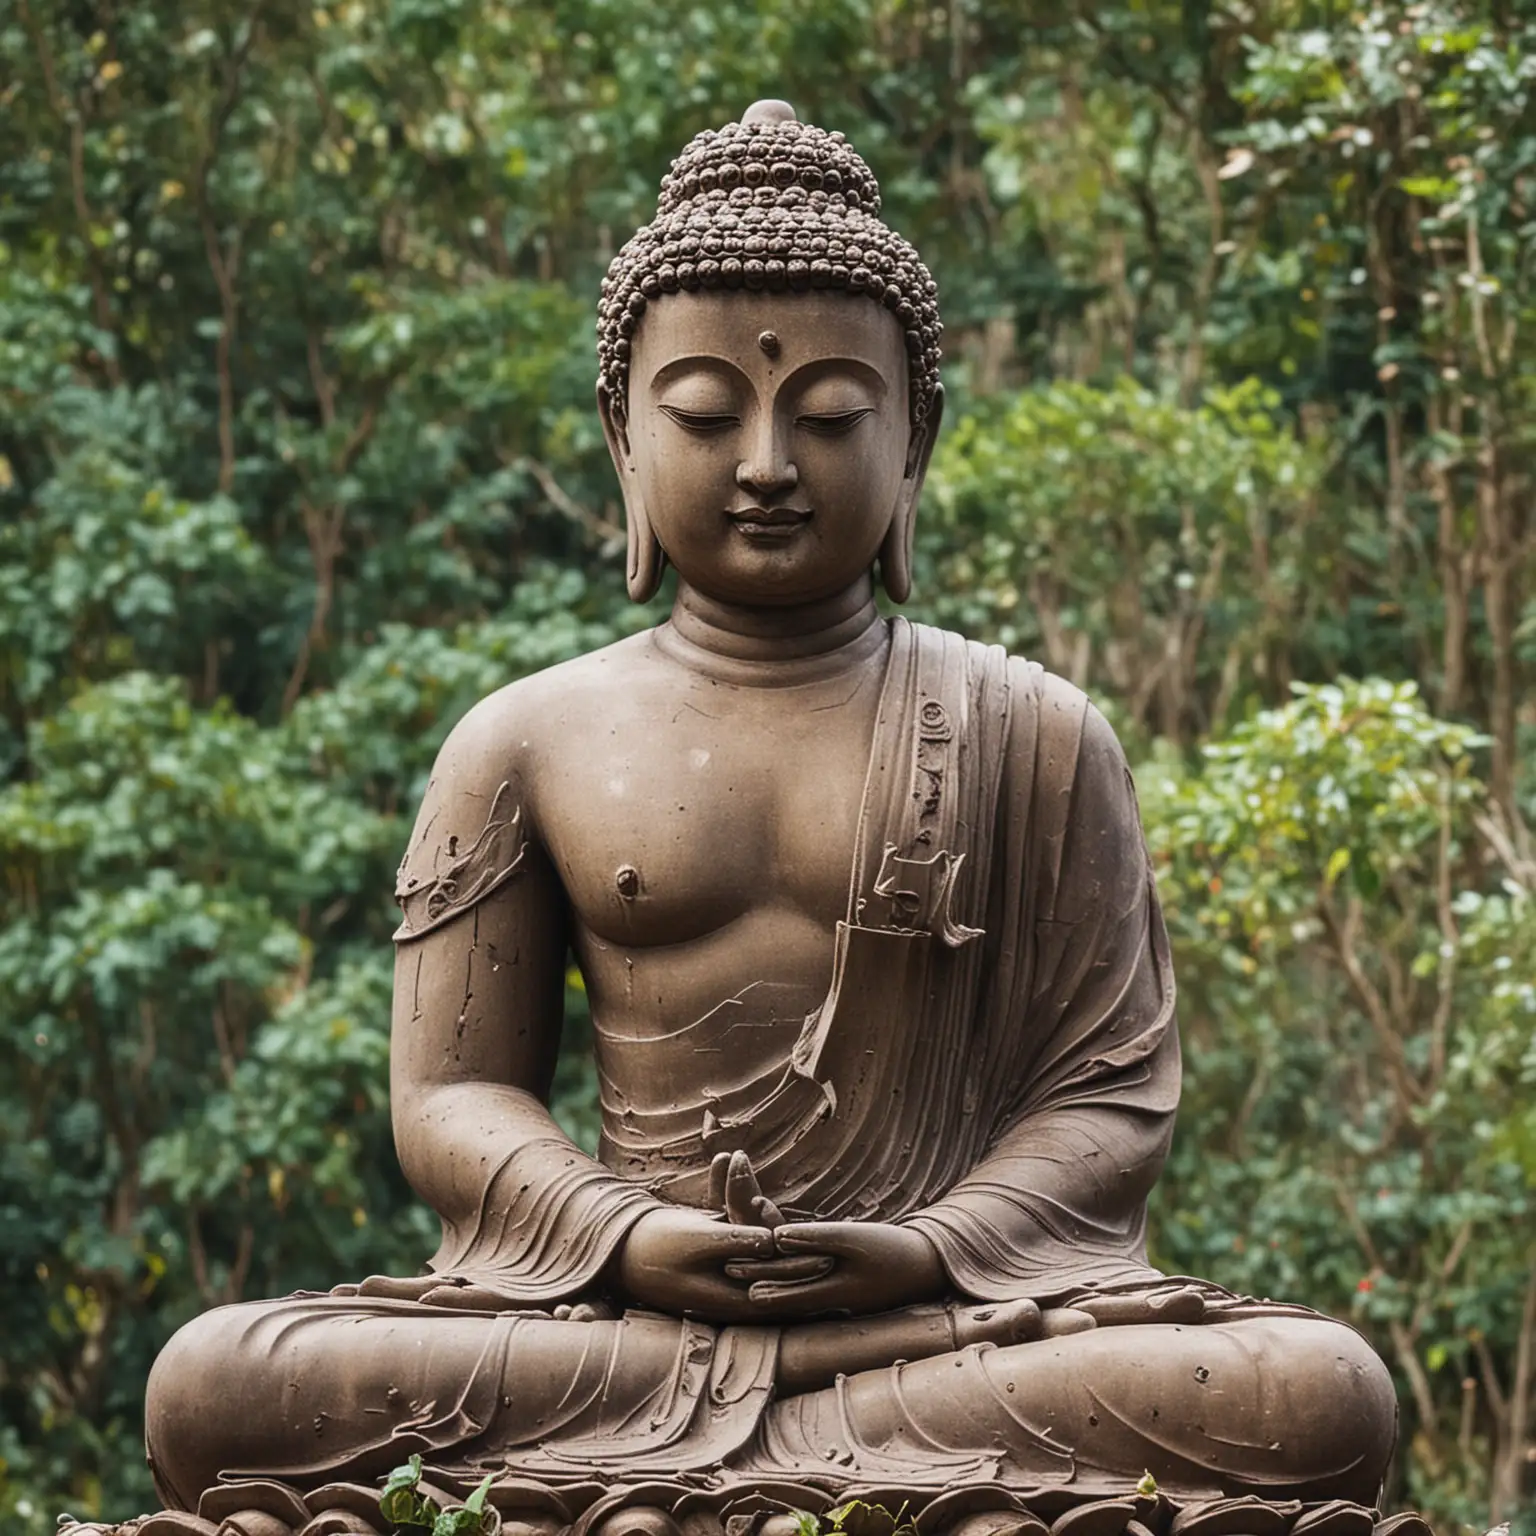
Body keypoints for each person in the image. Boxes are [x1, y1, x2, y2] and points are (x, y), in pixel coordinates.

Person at [143, 101, 1397, 1521]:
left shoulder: (1033, 733)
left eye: (830, 417)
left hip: (945, 1324)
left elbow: (1105, 1101)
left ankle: (812, 1411)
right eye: (701, 413)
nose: (763, 462)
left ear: (914, 439)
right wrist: (629, 1238)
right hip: (624, 1322)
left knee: (1318, 1391)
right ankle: (817, 1426)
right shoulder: (522, 737)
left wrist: (929, 1250)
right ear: (625, 437)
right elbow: (451, 1096)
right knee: (216, 1383)